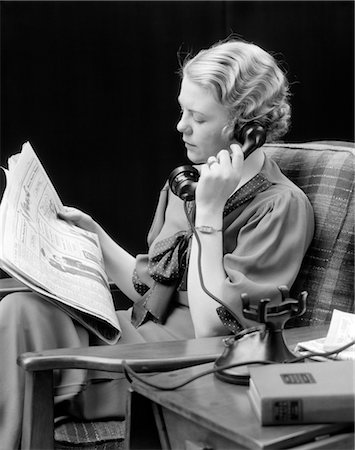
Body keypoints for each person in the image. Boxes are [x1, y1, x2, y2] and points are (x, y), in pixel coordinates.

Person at [0, 38, 314, 449]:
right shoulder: (186, 183)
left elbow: (212, 329)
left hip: (185, 364)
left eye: (197, 117)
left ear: (246, 129)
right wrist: (93, 234)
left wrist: (208, 216)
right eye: (182, 109)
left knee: (18, 324)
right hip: (137, 333)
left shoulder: (281, 207)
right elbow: (152, 293)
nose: (180, 126)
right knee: (22, 307)